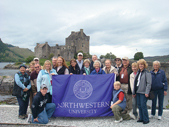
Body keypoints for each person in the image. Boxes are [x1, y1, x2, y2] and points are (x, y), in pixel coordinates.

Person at [133, 59, 152, 124]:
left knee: (143, 105)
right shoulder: (138, 72)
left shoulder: (147, 73)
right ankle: (141, 118)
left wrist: (147, 92)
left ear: (144, 65)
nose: (140, 65)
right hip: (138, 91)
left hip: (143, 92)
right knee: (139, 105)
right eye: (139, 64)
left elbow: (149, 83)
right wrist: (134, 92)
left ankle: (146, 119)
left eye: (142, 64)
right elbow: (135, 83)